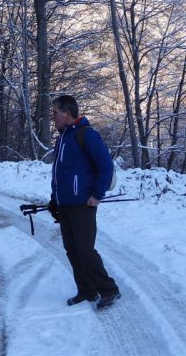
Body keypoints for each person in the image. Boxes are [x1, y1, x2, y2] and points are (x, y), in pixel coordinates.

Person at [49, 95, 120, 309]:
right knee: (71, 249)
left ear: (67, 113)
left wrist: (97, 195)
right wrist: (55, 199)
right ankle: (86, 290)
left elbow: (105, 166)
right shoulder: (62, 138)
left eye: (55, 112)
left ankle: (109, 289)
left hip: (83, 204)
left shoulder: (86, 135)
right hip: (65, 205)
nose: (53, 117)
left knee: (85, 249)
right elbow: (59, 174)